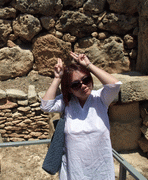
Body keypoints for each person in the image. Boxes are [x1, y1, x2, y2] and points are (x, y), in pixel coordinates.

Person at [41, 52, 122, 180]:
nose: (83, 86)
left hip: (101, 170)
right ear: (69, 89)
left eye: (86, 80)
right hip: (74, 171)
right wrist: (57, 78)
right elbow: (46, 106)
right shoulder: (66, 103)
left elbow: (115, 85)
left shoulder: (100, 98)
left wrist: (89, 65)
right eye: (75, 85)